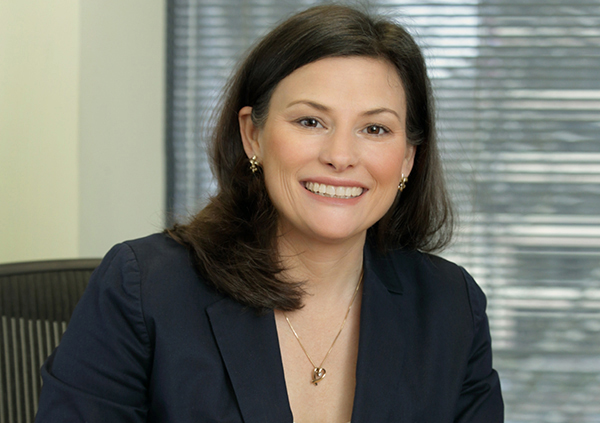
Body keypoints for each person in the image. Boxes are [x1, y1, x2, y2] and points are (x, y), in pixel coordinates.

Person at [35, 4, 503, 422]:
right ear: (252, 135)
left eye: (375, 128)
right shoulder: (144, 288)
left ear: (407, 158)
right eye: (310, 121)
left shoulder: (450, 306)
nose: (341, 155)